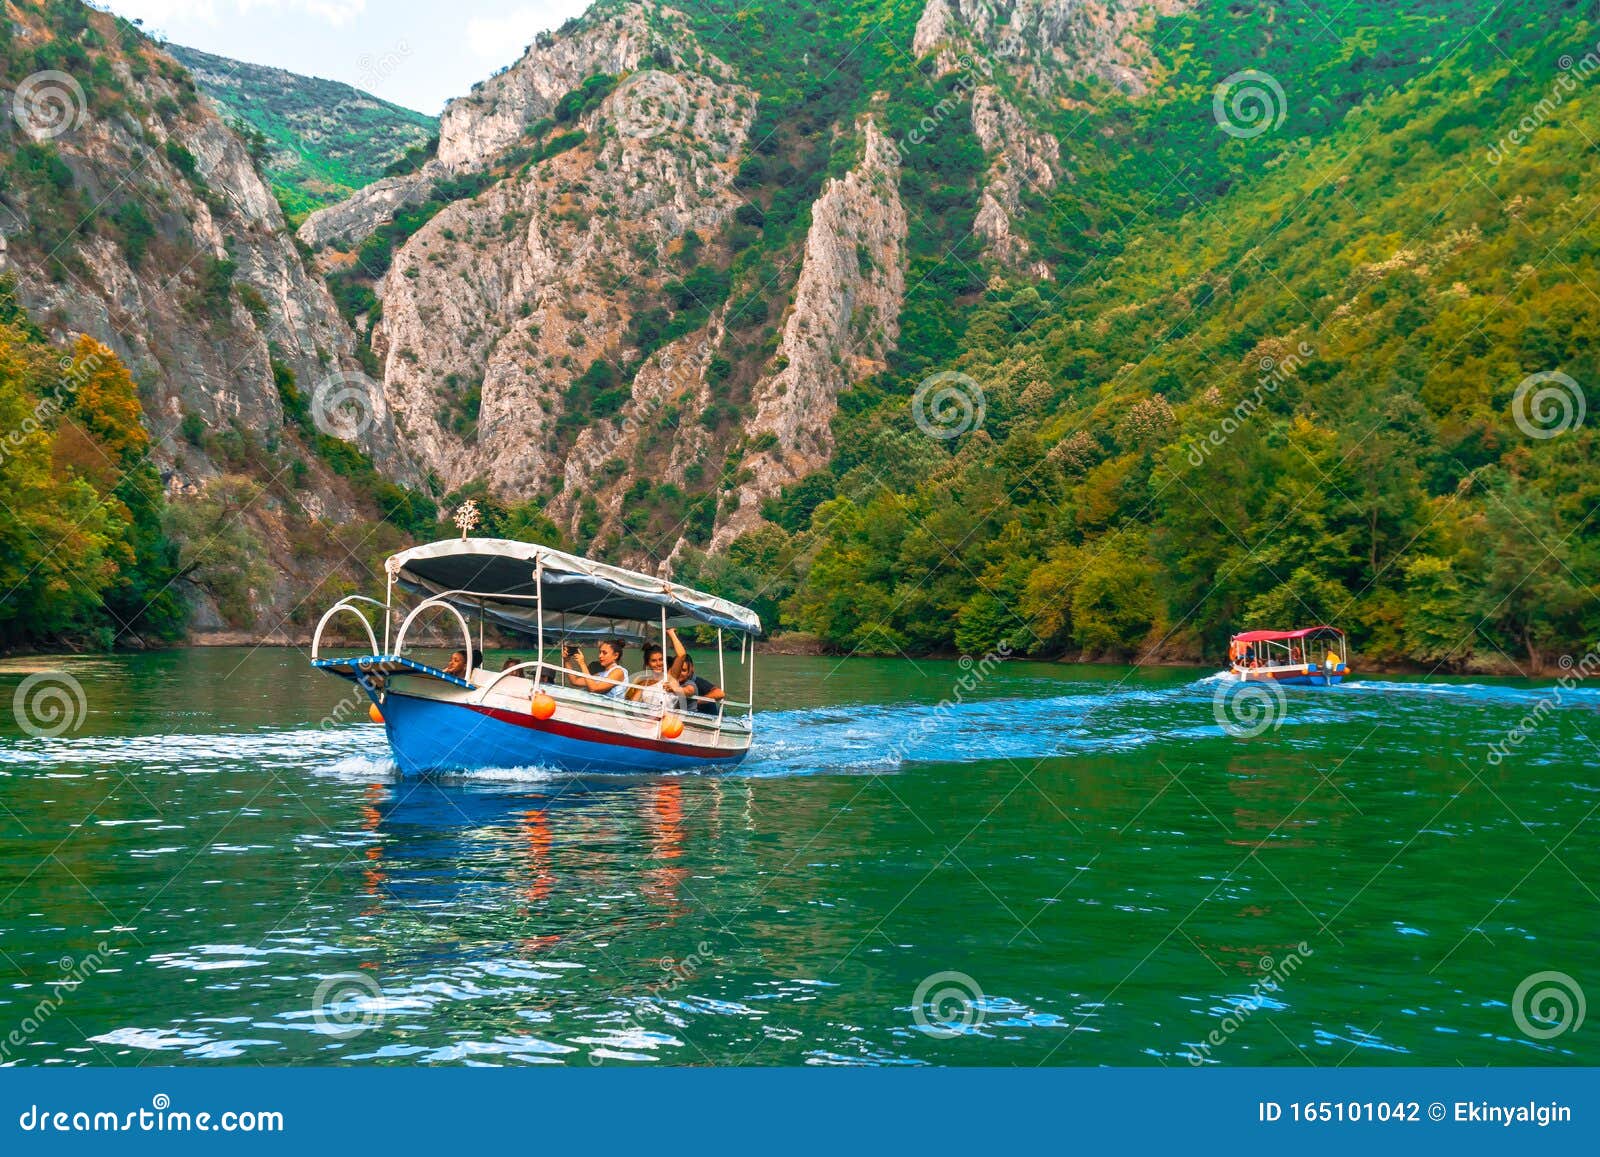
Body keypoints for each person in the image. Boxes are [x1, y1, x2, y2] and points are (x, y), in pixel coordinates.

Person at [628, 642, 686, 708]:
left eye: (661, 660)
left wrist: (671, 633)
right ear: (648, 664)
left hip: (666, 716)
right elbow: (633, 704)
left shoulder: (670, 677)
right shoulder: (645, 682)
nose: (658, 664)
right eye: (653, 661)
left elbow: (682, 655)